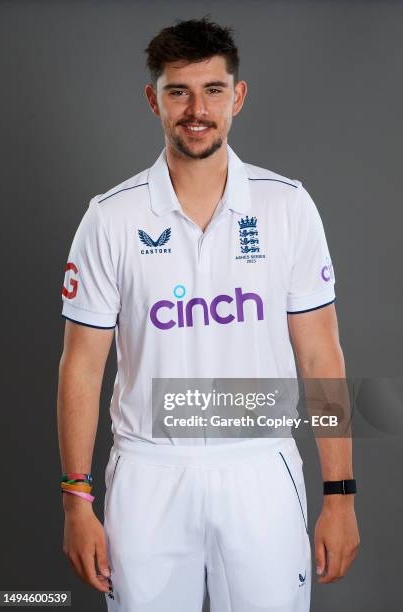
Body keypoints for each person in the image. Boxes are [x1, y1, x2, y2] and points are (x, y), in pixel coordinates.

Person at [58, 16, 360, 612]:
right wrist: (76, 500)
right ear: (154, 100)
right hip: (148, 471)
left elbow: (321, 356)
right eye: (178, 91)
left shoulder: (287, 206)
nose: (196, 109)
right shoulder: (110, 218)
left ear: (237, 97)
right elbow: (82, 368)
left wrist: (341, 494)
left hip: (260, 467)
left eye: (213, 90)